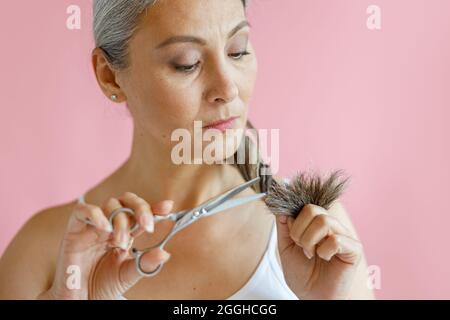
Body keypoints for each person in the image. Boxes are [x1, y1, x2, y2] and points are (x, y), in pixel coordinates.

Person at [0, 0, 374, 300]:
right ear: (109, 76)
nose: (227, 88)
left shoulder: (315, 232)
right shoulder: (45, 250)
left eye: (238, 50)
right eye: (187, 63)